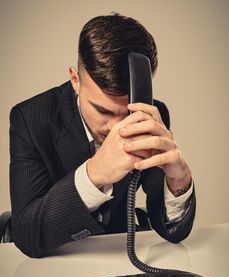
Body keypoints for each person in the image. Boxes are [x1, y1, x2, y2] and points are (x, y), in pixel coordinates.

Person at [9, 13, 195, 258]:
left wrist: (179, 182)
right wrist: (94, 174)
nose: (117, 127)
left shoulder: (152, 115)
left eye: (127, 111)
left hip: (118, 257)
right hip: (57, 258)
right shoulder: (30, 118)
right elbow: (25, 234)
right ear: (75, 80)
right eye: (102, 110)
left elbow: (172, 232)